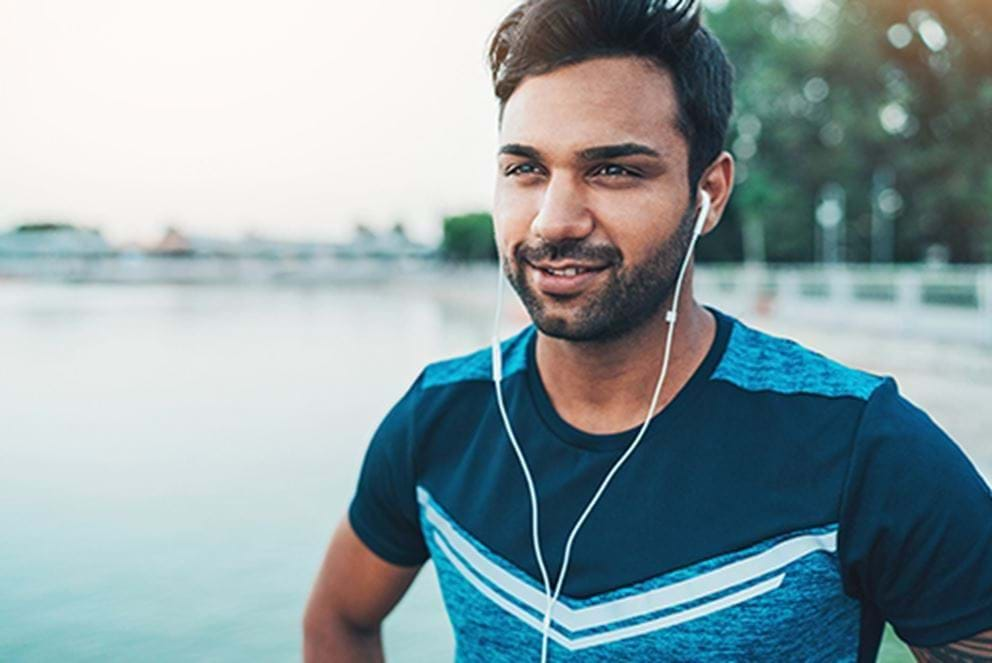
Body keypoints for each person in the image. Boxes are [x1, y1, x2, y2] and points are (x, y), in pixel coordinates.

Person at [303, 1, 992, 660]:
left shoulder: (862, 447)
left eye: (614, 170)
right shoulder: (438, 416)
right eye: (526, 169)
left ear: (710, 194)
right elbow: (339, 616)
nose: (553, 219)